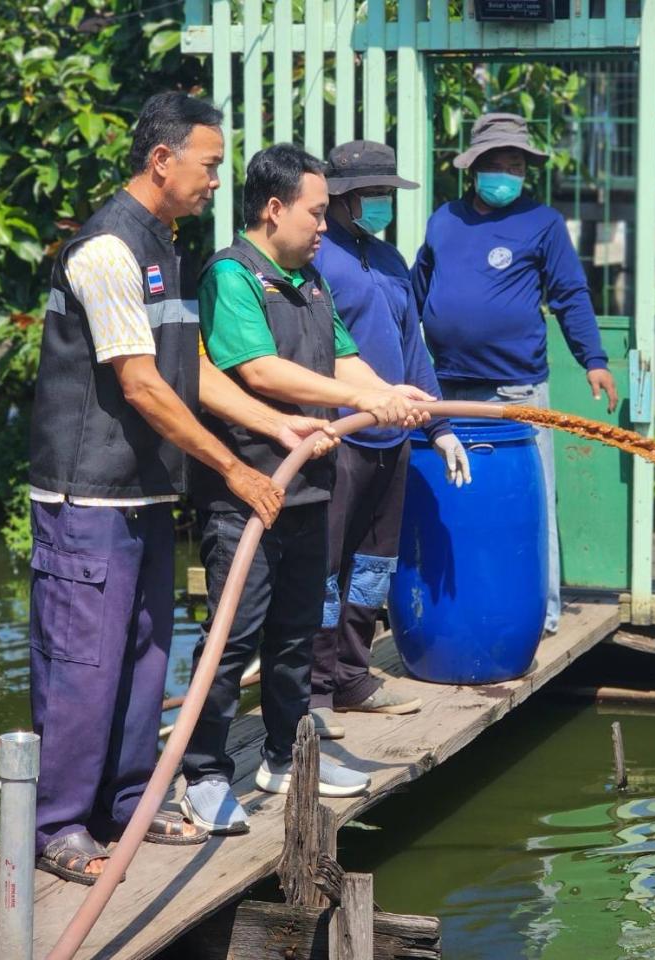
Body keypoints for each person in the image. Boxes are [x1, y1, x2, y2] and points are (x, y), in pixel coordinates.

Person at [28, 92, 331, 885]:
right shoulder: (104, 251)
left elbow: (188, 371)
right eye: (207, 166)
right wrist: (234, 469)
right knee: (83, 666)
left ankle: (128, 805)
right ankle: (59, 824)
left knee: (142, 659)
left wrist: (277, 427)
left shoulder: (168, 249)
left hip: (147, 496)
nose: (213, 182)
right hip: (87, 498)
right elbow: (142, 386)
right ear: (161, 160)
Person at [182, 144, 433, 835]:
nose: (325, 226)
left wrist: (392, 395)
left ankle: (288, 756)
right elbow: (258, 370)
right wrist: (362, 404)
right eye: (316, 212)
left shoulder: (310, 280)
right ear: (274, 209)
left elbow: (347, 359)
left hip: (311, 488)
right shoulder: (232, 277)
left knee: (296, 633)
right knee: (235, 638)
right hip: (249, 494)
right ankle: (202, 773)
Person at [410, 112, 619, 635]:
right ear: (473, 168)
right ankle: (464, 598)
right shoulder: (444, 219)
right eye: (496, 163)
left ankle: (540, 612)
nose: (507, 172)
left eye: (516, 165)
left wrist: (592, 359)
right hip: (447, 387)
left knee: (529, 501)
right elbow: (416, 288)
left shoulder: (542, 223)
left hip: (515, 387)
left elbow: (569, 294)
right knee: (454, 499)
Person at [307, 141, 470, 739]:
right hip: (340, 435)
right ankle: (315, 691)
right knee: (325, 569)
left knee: (373, 567)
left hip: (392, 439)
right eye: (375, 195)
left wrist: (440, 427)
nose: (383, 204)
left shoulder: (390, 259)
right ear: (345, 198)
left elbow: (413, 351)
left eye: (386, 194)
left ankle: (353, 674)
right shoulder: (318, 259)